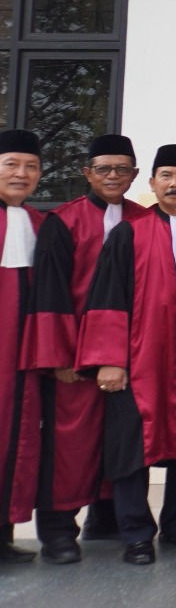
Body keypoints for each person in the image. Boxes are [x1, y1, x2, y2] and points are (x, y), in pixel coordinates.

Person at [78, 144, 176, 565]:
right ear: (151, 183)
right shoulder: (128, 233)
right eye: (166, 175)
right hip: (139, 360)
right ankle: (134, 532)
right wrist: (110, 359)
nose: (174, 183)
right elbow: (107, 298)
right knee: (131, 446)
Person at [24, 133, 148, 563]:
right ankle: (58, 530)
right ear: (87, 173)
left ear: (134, 173)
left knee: (118, 440)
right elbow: (50, 292)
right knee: (69, 444)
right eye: (104, 169)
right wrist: (58, 357)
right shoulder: (64, 220)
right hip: (74, 355)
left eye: (122, 169)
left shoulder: (142, 219)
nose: (113, 176)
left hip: (128, 355)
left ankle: (105, 517)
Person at [0, 131, 45, 564]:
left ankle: (4, 534)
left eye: (30, 167)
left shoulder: (37, 223)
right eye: (12, 164)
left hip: (21, 359)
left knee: (16, 439)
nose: (21, 174)